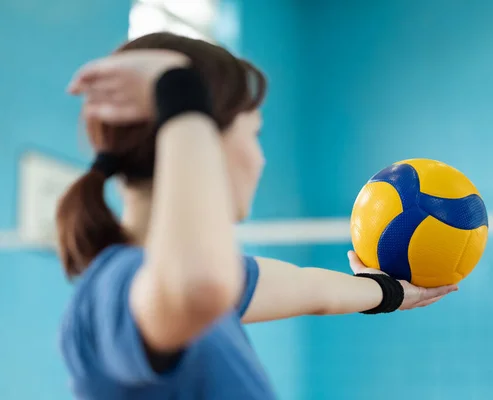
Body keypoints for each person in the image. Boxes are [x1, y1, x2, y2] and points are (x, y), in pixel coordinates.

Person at [58, 32, 458, 399]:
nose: (260, 158)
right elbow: (198, 284)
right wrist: (177, 87)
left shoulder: (204, 282)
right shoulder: (114, 288)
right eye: (253, 134)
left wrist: (391, 292)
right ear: (201, 142)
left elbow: (311, 289)